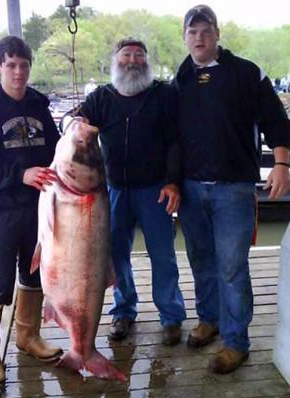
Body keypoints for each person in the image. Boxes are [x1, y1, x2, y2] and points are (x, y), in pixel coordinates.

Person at [172, 4, 290, 374]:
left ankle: (236, 341)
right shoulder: (182, 78)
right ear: (185, 37)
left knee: (232, 267)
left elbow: (276, 121)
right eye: (192, 32)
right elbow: (171, 136)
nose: (199, 38)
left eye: (206, 30)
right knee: (201, 260)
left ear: (217, 34)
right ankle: (210, 320)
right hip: (191, 190)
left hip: (234, 189)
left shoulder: (247, 73)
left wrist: (283, 165)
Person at [61, 37, 187, 345]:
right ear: (115, 61)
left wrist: (173, 181)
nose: (132, 60)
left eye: (139, 55)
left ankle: (171, 316)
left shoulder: (164, 94)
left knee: (163, 256)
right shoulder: (101, 97)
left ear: (147, 61)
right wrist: (73, 124)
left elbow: (176, 142)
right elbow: (69, 119)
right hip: (112, 191)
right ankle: (123, 311)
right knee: (117, 257)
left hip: (155, 189)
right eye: (126, 55)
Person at [0, 36, 62, 391]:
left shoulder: (39, 104)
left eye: (24, 65)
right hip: (0, 211)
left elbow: (55, 149)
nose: (19, 72)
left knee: (34, 274)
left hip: (39, 208)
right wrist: (19, 174)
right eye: (11, 65)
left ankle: (28, 336)